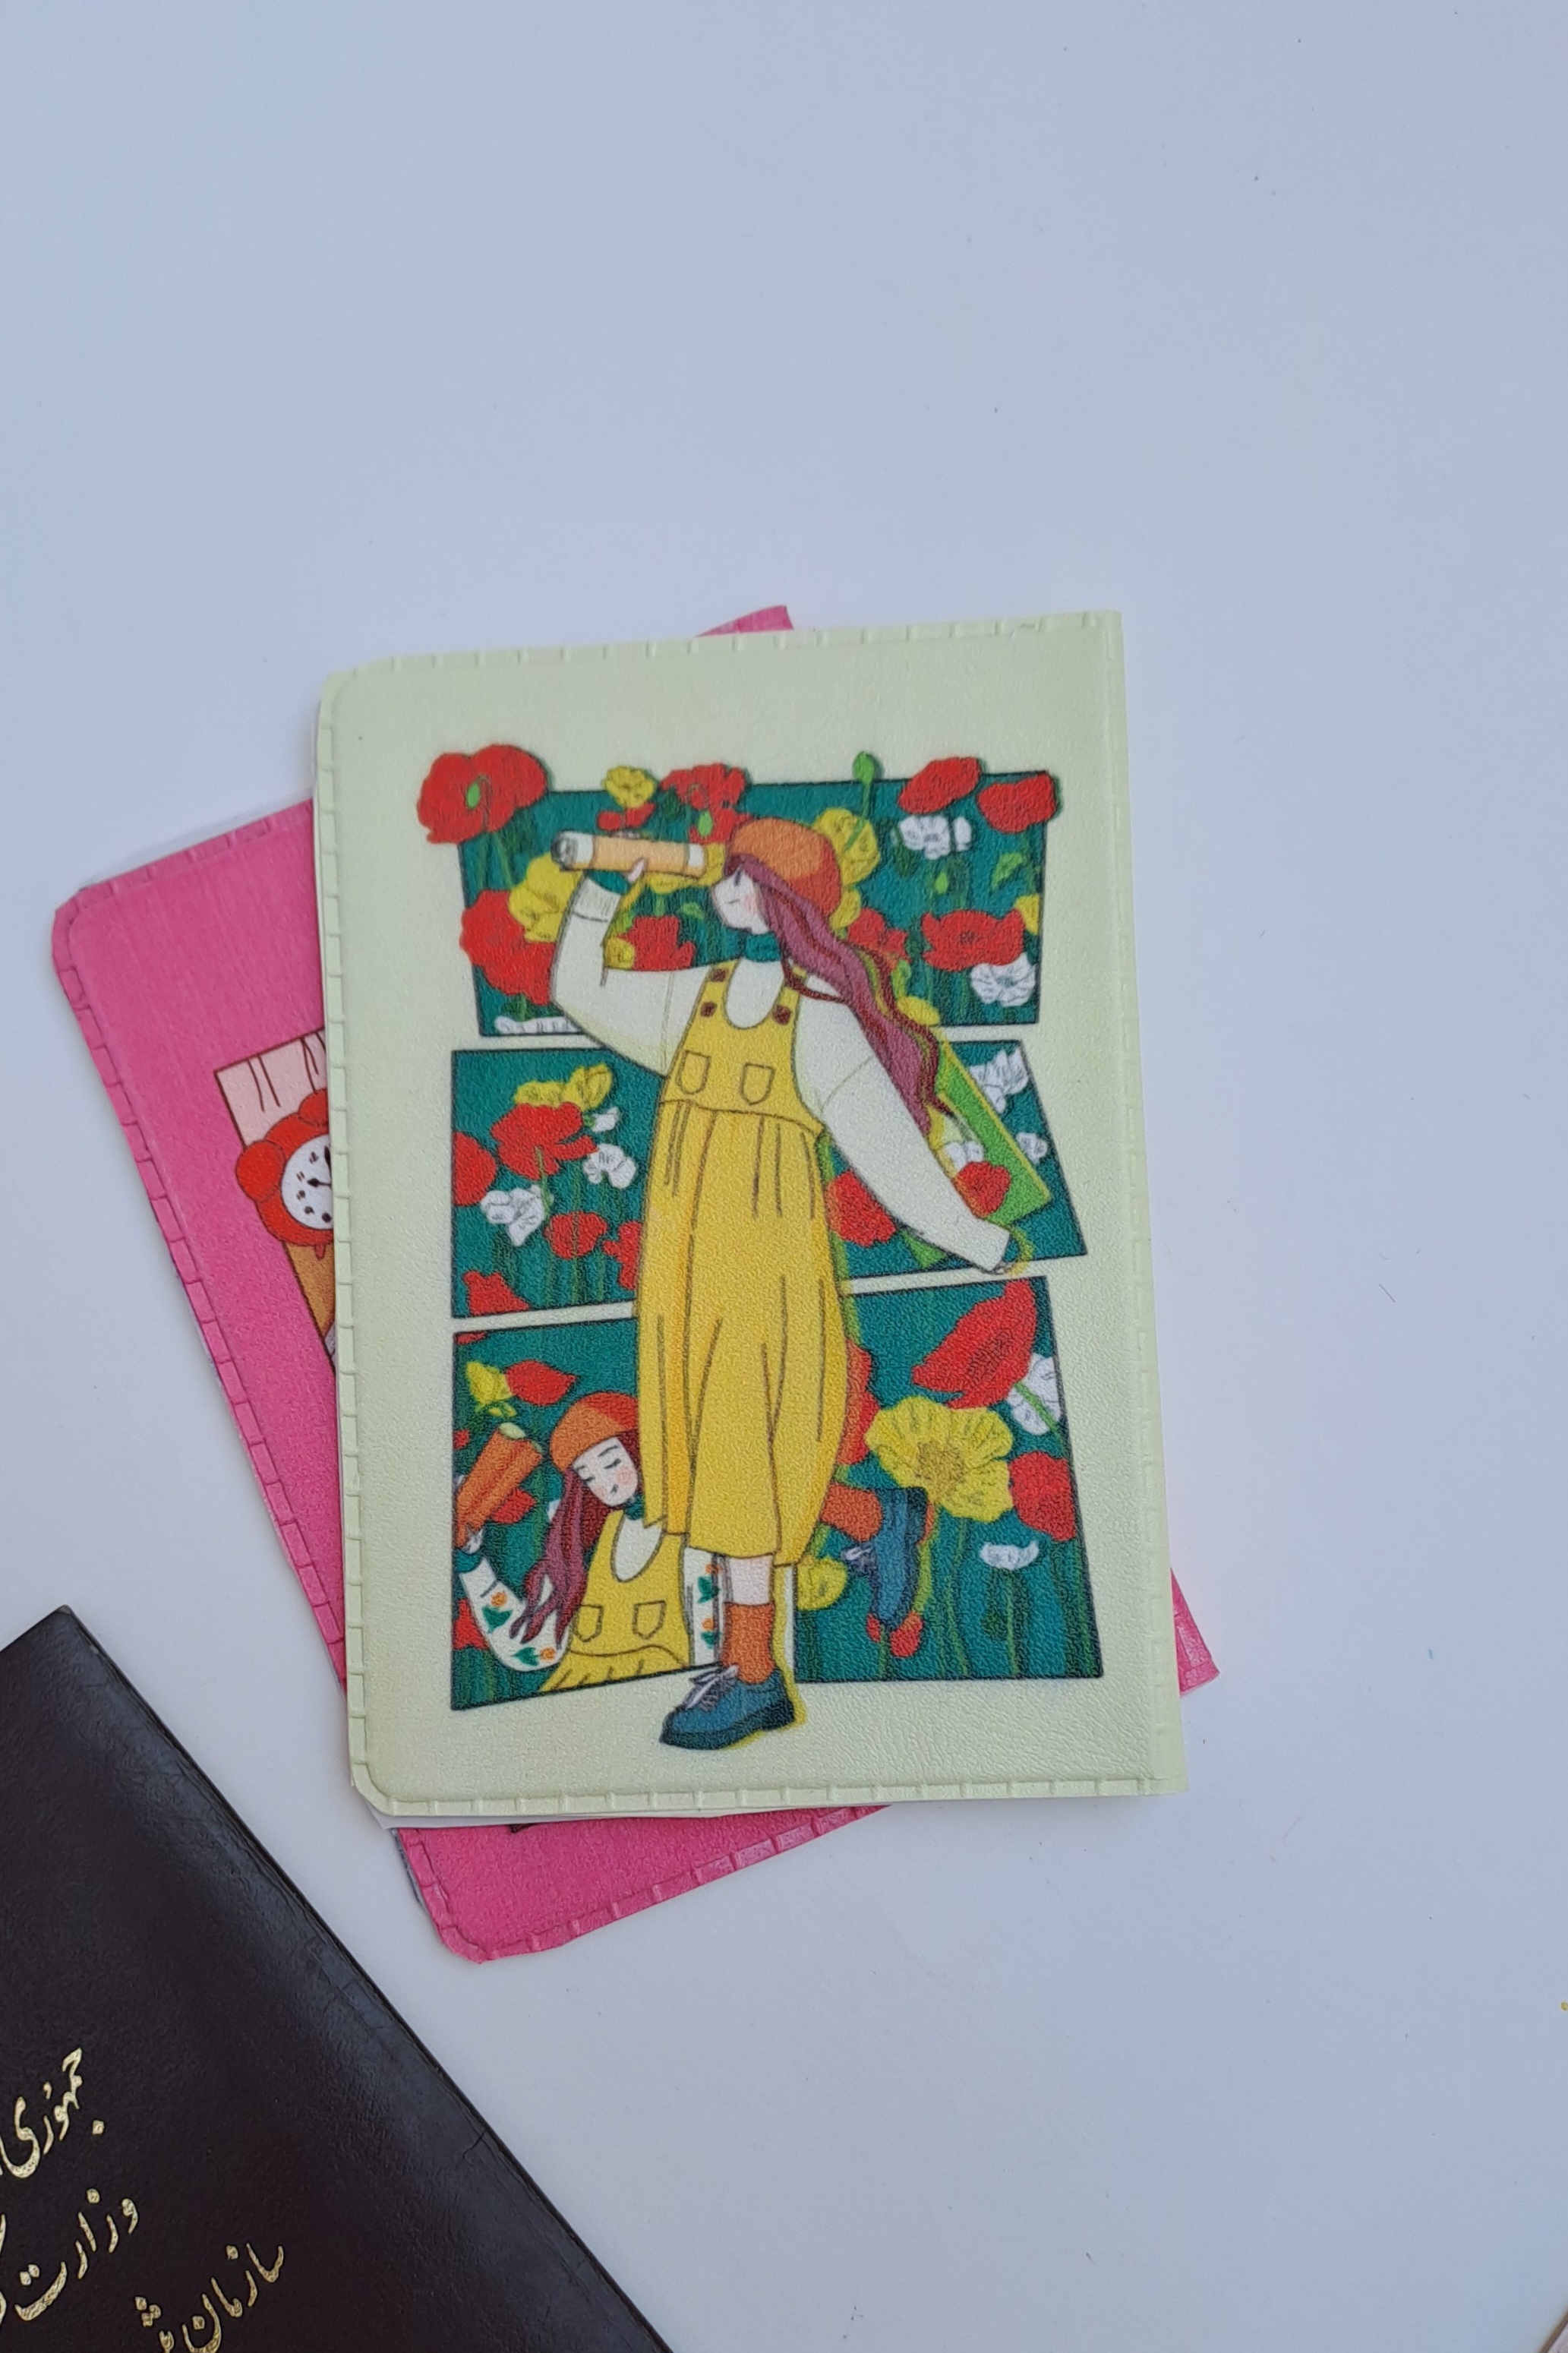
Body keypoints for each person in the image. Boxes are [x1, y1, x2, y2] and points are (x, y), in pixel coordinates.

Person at [552, 816, 1008, 1752]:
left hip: (763, 1276)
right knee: (708, 1457)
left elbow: (887, 1147)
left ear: (785, 902)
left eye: (745, 877)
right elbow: (577, 990)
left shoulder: (821, 1021)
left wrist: (969, 1234)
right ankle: (878, 1516)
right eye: (729, 873)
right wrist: (603, 889)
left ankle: (754, 1674)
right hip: (684, 1276)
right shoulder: (701, 997)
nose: (724, 887)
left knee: (736, 1465)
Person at [518, 1391, 718, 1690]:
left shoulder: (685, 1534)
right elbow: (532, 1646)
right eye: (588, 1477)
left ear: (638, 1449)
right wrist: (472, 1563)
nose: (605, 1484)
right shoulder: (598, 1538)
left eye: (611, 1463)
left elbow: (708, 1642)